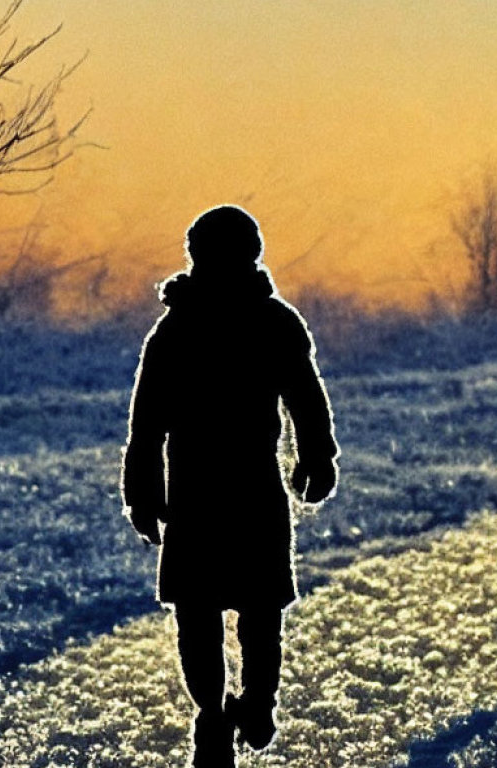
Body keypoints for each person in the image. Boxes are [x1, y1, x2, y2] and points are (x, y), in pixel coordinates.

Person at [120, 205, 339, 768]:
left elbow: (305, 400)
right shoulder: (208, 328)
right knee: (232, 613)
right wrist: (143, 494)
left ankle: (241, 707)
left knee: (228, 613)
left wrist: (318, 454)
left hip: (224, 494)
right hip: (222, 495)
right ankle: (220, 715)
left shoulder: (219, 327)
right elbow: (145, 428)